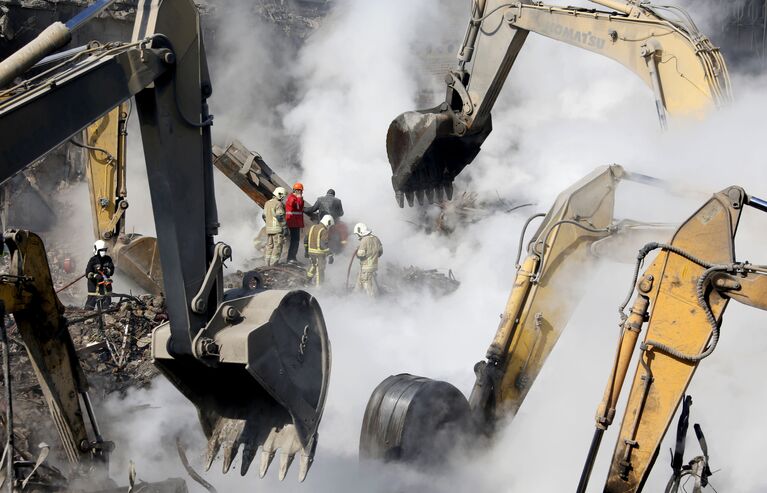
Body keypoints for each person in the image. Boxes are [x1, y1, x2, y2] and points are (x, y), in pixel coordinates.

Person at [353, 222, 383, 297]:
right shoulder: (376, 238)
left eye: (357, 233)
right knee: (359, 281)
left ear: (360, 232)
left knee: (368, 286)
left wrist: (357, 251)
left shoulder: (364, 240)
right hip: (373, 265)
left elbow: (361, 254)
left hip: (366, 267)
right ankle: (354, 298)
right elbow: (380, 252)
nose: (358, 236)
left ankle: (371, 303)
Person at [305, 215, 335, 286]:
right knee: (320, 271)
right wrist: (330, 254)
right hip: (319, 254)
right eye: (330, 225)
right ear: (328, 222)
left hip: (311, 253)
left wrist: (306, 251)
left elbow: (306, 239)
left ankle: (307, 281)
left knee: (312, 266)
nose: (329, 227)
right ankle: (319, 289)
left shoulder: (312, 227)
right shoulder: (324, 230)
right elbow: (323, 244)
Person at [85, 239, 114, 309]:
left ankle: (106, 315)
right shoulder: (93, 260)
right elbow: (88, 273)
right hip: (94, 285)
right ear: (97, 250)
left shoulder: (108, 259)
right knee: (91, 303)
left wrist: (108, 271)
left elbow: (112, 270)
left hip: (105, 285)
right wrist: (94, 275)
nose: (103, 252)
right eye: (101, 250)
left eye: (104, 250)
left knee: (106, 304)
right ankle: (88, 316)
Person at [263, 186, 287, 266]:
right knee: (277, 247)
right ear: (280, 194)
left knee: (269, 246)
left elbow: (264, 216)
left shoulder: (267, 203)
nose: (283, 197)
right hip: (277, 229)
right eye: (283, 195)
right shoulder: (278, 204)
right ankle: (274, 264)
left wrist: (268, 223)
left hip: (269, 229)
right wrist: (284, 227)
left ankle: (267, 264)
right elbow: (280, 217)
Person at [285, 182, 306, 264]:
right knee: (295, 241)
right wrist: (300, 198)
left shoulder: (293, 197)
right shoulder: (292, 198)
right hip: (293, 223)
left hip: (295, 222)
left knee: (295, 240)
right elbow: (298, 207)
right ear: (297, 191)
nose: (301, 192)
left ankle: (293, 257)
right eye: (300, 191)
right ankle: (291, 258)